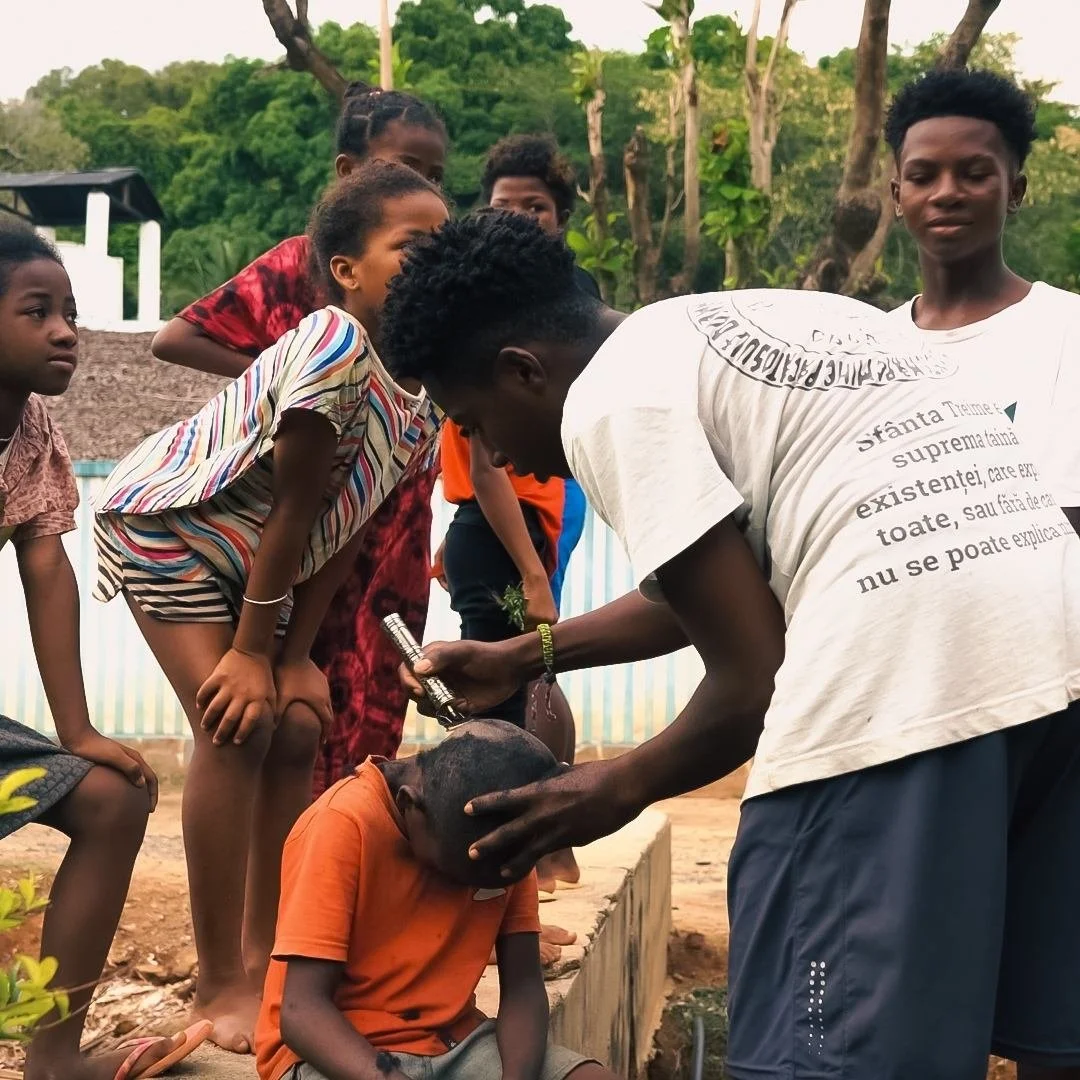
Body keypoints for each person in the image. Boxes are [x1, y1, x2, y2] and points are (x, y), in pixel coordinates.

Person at [381, 211, 1080, 1080]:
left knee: (820, 1049)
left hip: (904, 678)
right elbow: (714, 594)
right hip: (1054, 651)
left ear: (522, 371)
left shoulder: (611, 401)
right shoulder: (739, 323)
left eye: (474, 420)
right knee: (1050, 1029)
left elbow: (752, 678)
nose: (489, 450)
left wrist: (613, 786)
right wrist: (523, 656)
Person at [92, 162, 448, 1055]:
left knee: (295, 725)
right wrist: (254, 654)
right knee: (233, 725)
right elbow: (293, 507)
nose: (432, 259)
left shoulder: (421, 396)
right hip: (170, 531)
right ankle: (221, 982)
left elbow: (342, 526)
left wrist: (294, 659)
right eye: (410, 246)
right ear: (345, 270)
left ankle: (275, 961)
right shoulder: (330, 341)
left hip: (263, 560)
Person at [151, 82, 448, 797]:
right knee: (270, 706)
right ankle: (277, 887)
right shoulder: (302, 271)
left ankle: (333, 879)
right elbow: (177, 337)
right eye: (403, 166)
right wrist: (296, 388)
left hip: (387, 518)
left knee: (365, 700)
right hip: (300, 515)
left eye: (436, 176)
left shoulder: (431, 286)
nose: (420, 185)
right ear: (349, 173)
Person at [0, 223, 212, 1079]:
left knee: (113, 800)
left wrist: (77, 730)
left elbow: (46, 566)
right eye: (36, 311)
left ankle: (52, 1058)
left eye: (71, 314)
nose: (65, 331)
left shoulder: (35, 434)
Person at [254, 719, 618, 1080]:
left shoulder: (507, 844)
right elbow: (302, 1012)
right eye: (462, 876)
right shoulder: (341, 824)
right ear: (410, 806)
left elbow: (523, 987)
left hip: (455, 1044)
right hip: (339, 1055)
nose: (476, 890)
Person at [436, 135, 596, 888]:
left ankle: (536, 851)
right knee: (515, 689)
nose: (523, 219)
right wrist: (531, 571)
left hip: (526, 527)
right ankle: (520, 856)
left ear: (560, 217)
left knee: (533, 675)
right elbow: (484, 465)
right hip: (502, 534)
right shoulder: (475, 325)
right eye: (508, 207)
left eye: (537, 207)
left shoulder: (563, 309)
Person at [885, 68, 1080, 532]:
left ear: (1015, 191)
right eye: (922, 176)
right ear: (898, 196)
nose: (946, 193)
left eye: (974, 175)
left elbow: (1063, 527)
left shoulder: (1066, 332)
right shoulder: (869, 350)